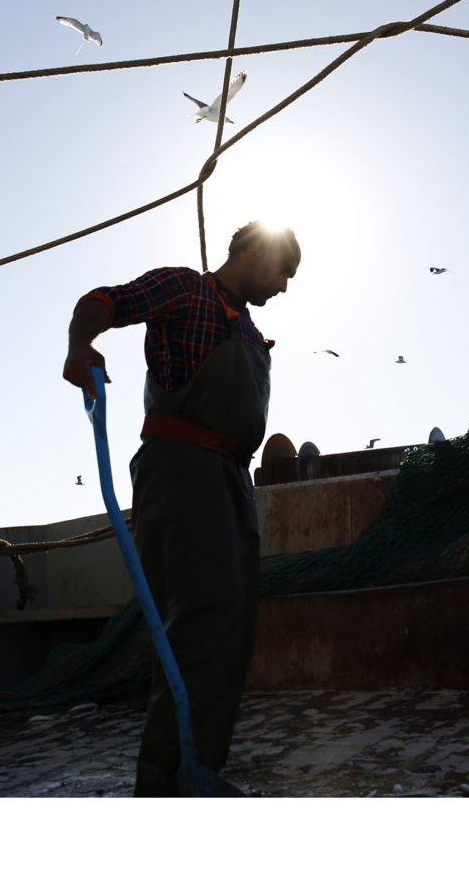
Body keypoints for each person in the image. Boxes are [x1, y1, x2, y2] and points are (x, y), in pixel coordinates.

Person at [62, 220, 300, 796]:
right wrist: (79, 346)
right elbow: (104, 301)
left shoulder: (249, 328)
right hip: (182, 470)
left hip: (232, 478)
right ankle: (162, 783)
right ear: (252, 252)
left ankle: (200, 767)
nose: (284, 287)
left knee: (232, 627)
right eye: (283, 271)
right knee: (198, 619)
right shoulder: (186, 288)